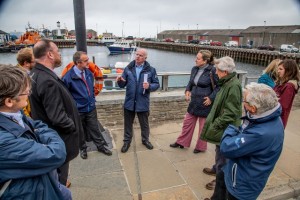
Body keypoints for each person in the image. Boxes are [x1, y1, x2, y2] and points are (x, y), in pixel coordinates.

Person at [0, 64, 71, 200]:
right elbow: (56, 153)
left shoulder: (16, 114)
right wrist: (48, 140)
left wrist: (40, 132)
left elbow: (38, 125)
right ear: (9, 101)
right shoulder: (3, 141)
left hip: (44, 185)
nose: (29, 94)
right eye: (26, 93)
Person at [205, 83, 284, 200]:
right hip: (236, 169)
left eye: (245, 101)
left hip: (241, 185)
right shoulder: (268, 117)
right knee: (221, 179)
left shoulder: (260, 134)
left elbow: (226, 147)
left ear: (253, 108)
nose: (243, 104)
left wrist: (231, 127)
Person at [29, 39, 81, 187]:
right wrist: (73, 126)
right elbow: (57, 117)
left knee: (55, 177)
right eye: (57, 51)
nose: (60, 54)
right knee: (60, 179)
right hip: (60, 139)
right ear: (50, 54)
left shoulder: (35, 74)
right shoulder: (47, 80)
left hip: (48, 137)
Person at [200, 56, 242, 191]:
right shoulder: (226, 83)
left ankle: (220, 181)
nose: (216, 72)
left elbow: (231, 112)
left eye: (218, 70)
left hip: (225, 129)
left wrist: (216, 124)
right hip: (223, 127)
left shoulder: (233, 86)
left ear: (225, 72)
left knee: (223, 157)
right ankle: (217, 171)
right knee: (220, 154)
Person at [62, 51, 112, 158]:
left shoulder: (88, 73)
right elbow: (65, 96)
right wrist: (75, 105)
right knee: (80, 131)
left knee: (94, 128)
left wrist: (92, 99)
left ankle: (101, 146)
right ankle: (83, 149)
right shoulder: (68, 77)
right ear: (78, 63)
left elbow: (91, 89)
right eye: (86, 61)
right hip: (78, 110)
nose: (88, 62)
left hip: (91, 108)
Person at [170, 50, 219, 153]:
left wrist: (211, 98)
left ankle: (200, 147)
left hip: (205, 103)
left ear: (205, 61)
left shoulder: (213, 71)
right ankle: (182, 142)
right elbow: (191, 82)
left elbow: (219, 87)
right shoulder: (194, 69)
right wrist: (187, 90)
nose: (195, 60)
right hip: (194, 102)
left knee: (203, 127)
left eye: (198, 58)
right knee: (187, 123)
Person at [116, 48, 160, 153]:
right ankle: (126, 142)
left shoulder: (151, 70)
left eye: (140, 55)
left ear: (145, 58)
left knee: (144, 124)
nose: (137, 56)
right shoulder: (128, 68)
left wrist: (149, 86)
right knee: (127, 124)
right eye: (137, 54)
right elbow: (122, 84)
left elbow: (157, 84)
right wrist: (119, 82)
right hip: (129, 102)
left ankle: (145, 140)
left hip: (142, 102)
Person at [274, 59, 300, 128]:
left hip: (277, 120)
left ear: (289, 71)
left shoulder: (289, 86)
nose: (278, 71)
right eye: (278, 69)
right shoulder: (282, 83)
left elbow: (283, 107)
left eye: (281, 69)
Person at [16, 47, 36, 116]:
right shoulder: (19, 78)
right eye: (35, 61)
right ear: (26, 63)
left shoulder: (23, 74)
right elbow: (22, 107)